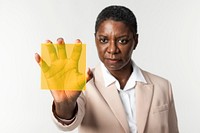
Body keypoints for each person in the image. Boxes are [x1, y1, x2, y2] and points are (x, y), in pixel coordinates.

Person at [35, 5, 179, 133]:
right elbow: (67, 122)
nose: (112, 49)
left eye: (122, 40)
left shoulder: (163, 86)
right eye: (103, 40)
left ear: (135, 41)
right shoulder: (83, 84)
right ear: (95, 40)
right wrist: (64, 104)